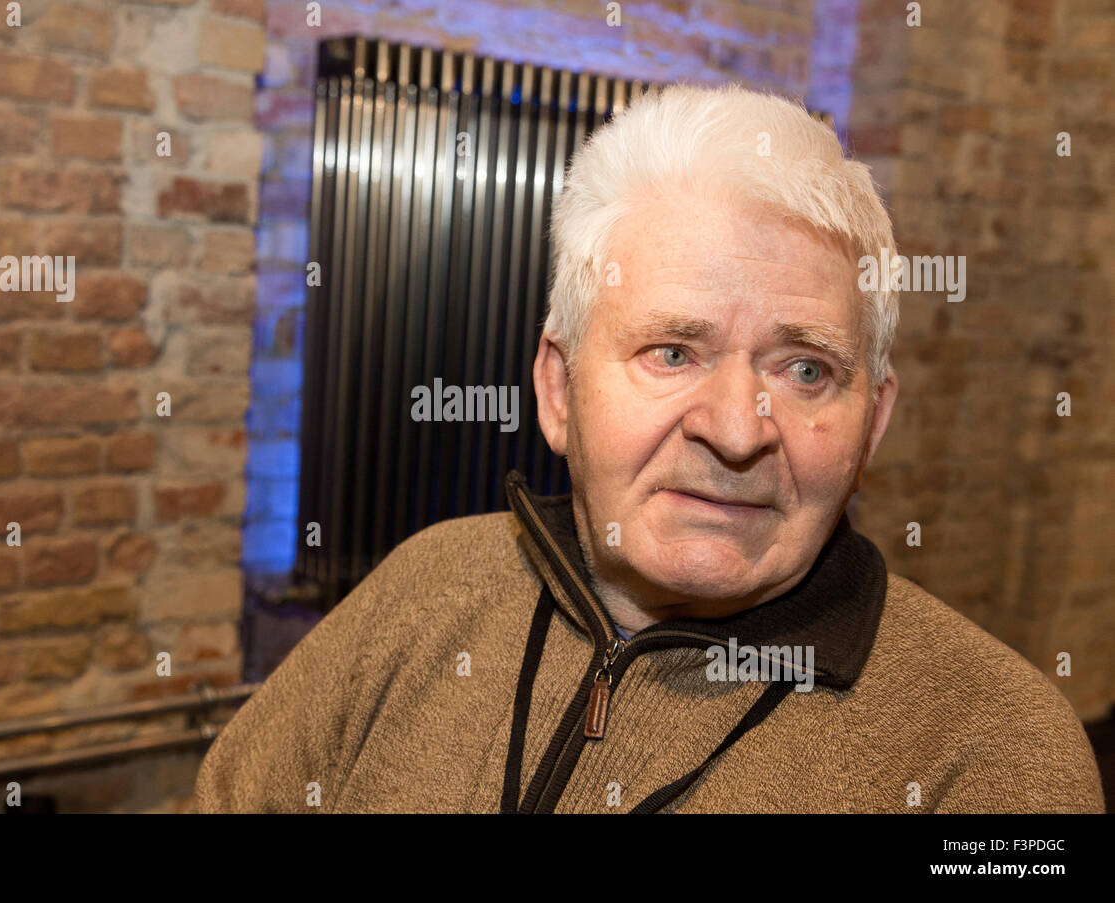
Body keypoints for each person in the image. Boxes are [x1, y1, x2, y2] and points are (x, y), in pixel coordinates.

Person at [194, 83, 1104, 813]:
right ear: (558, 389)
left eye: (807, 371)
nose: (738, 430)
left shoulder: (993, 754)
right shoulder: (422, 591)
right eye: (673, 352)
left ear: (875, 422)